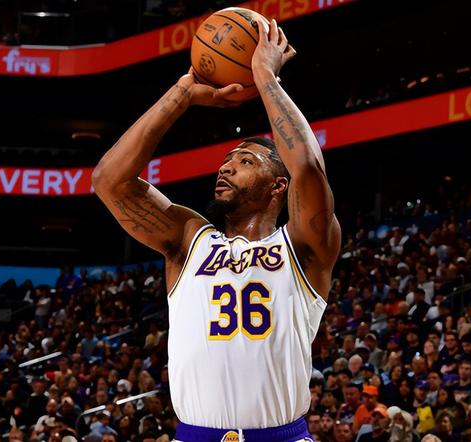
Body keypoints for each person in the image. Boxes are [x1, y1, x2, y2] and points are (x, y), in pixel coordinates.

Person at [93, 18, 340, 442]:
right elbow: (108, 181)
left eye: (245, 161)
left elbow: (307, 166)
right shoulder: (189, 239)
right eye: (226, 161)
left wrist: (265, 77)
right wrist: (183, 93)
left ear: (278, 186)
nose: (226, 167)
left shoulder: (303, 246)